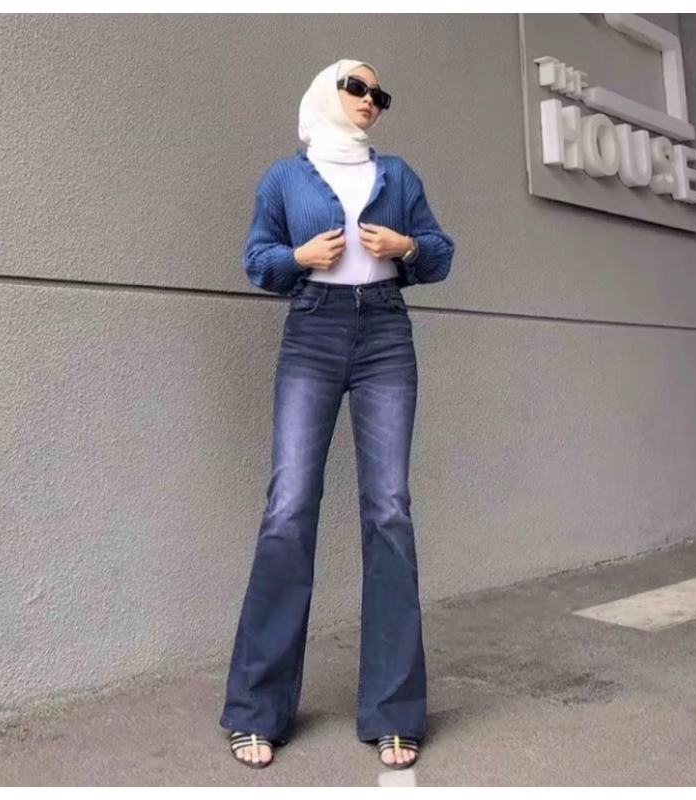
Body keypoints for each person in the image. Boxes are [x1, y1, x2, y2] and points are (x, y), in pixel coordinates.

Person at [220, 59, 454, 771]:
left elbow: (441, 254)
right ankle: (257, 708)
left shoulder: (398, 175)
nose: (370, 100)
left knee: (389, 510)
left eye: (379, 94)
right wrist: (298, 256)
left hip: (385, 334)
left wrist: (406, 247)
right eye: (357, 86)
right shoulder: (284, 178)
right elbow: (257, 260)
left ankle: (394, 711)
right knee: (289, 506)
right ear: (326, 91)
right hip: (312, 333)